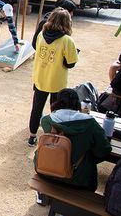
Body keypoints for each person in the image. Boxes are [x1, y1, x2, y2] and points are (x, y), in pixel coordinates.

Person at [35, 88, 111, 191]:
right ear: (77, 103)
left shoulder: (47, 120)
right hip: (78, 179)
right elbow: (104, 150)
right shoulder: (90, 123)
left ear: (57, 102)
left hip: (46, 171)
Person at [28, 8, 78, 146]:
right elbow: (70, 63)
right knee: (56, 110)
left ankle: (32, 136)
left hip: (40, 77)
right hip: (57, 80)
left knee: (37, 107)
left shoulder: (41, 35)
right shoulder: (67, 40)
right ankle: (53, 136)